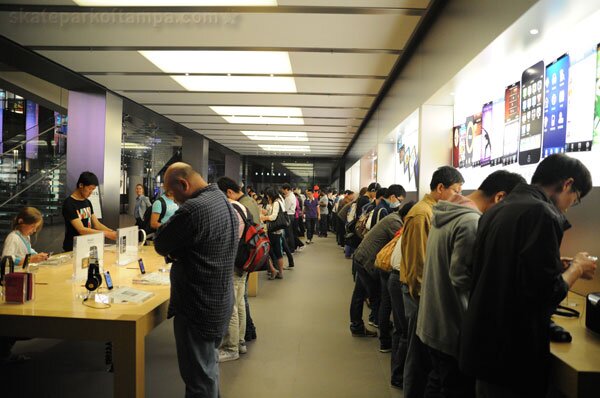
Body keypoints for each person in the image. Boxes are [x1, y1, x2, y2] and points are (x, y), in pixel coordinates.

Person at [459, 154, 597, 398]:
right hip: (512, 353)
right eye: (573, 199)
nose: (567, 206)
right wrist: (576, 268)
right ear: (567, 184)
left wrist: (556, 265)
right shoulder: (543, 213)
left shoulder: (497, 209)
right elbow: (545, 294)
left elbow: (501, 267)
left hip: (483, 343)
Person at [416, 170, 525, 398]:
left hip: (433, 321)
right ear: (500, 197)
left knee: (436, 383)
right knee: (452, 389)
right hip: (452, 326)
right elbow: (462, 278)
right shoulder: (470, 221)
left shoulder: (446, 212)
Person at [154, 163, 238, 398]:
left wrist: (176, 252)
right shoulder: (221, 200)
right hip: (218, 299)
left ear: (183, 184)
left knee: (198, 381)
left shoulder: (194, 209)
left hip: (197, 305)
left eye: (173, 194)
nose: (175, 201)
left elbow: (161, 243)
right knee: (208, 370)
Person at [400, 166, 464, 398]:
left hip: (422, 292)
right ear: (440, 188)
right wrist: (423, 294)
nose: (459, 196)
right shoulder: (422, 213)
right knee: (416, 355)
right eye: (456, 190)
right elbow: (418, 261)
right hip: (417, 292)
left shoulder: (433, 211)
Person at [349, 199, 404, 338]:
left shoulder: (391, 217)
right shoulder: (396, 223)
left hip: (361, 256)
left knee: (359, 295)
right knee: (378, 298)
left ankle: (357, 325)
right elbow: (400, 246)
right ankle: (379, 325)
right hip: (367, 261)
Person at [1, 207, 49, 364]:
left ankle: (5, 351)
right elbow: (7, 259)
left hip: (20, 278)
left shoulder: (23, 237)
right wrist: (30, 259)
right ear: (22, 222)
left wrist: (36, 256)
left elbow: (28, 251)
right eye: (32, 226)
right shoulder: (13, 238)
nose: (34, 231)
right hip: (12, 279)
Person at [388, 201, 417, 389]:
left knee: (400, 330)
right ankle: (399, 375)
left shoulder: (405, 230)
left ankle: (396, 373)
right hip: (400, 280)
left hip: (394, 277)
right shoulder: (414, 231)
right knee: (406, 332)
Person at [62, 171, 116, 252]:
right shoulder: (69, 203)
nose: (91, 192)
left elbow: (97, 224)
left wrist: (112, 232)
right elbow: (81, 229)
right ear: (81, 185)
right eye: (89, 189)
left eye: (93, 189)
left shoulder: (87, 202)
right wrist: (107, 234)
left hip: (86, 245)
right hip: (73, 248)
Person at [260, 187, 286, 279]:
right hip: (277, 231)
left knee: (270, 252)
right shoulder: (279, 201)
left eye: (268, 196)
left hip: (274, 231)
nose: (267, 197)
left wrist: (264, 217)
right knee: (277, 252)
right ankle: (278, 272)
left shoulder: (276, 203)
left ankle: (275, 271)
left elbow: (274, 217)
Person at [282, 183, 298, 252]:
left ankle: (291, 248)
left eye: (283, 190)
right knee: (290, 233)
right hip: (291, 215)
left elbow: (285, 209)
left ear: (286, 189)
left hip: (289, 215)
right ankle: (292, 247)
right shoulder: (292, 195)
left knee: (289, 233)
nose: (283, 191)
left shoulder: (289, 198)